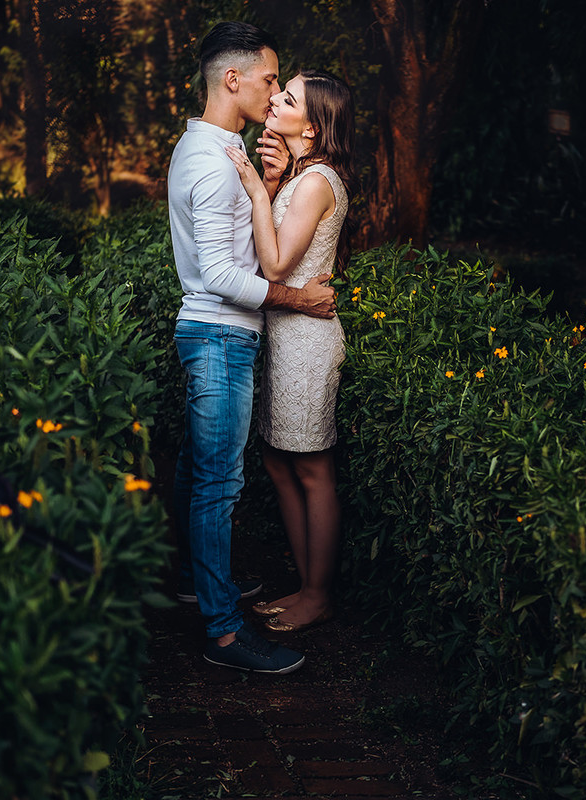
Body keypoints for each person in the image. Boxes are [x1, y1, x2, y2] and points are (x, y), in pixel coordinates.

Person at [168, 21, 335, 675]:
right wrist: (301, 300)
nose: (274, 92)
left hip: (215, 334)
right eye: (270, 79)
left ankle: (192, 576)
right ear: (230, 80)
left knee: (195, 466)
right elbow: (222, 277)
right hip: (219, 337)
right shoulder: (212, 163)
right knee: (217, 484)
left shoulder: (215, 148)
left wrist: (264, 186)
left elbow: (237, 248)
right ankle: (225, 634)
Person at [224, 70, 354, 634]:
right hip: (285, 334)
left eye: (289, 97)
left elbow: (276, 267)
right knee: (280, 463)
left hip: (307, 343)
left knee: (313, 468)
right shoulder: (302, 177)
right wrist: (272, 186)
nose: (275, 99)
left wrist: (256, 188)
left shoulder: (318, 180)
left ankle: (318, 594)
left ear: (315, 123)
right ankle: (306, 585)